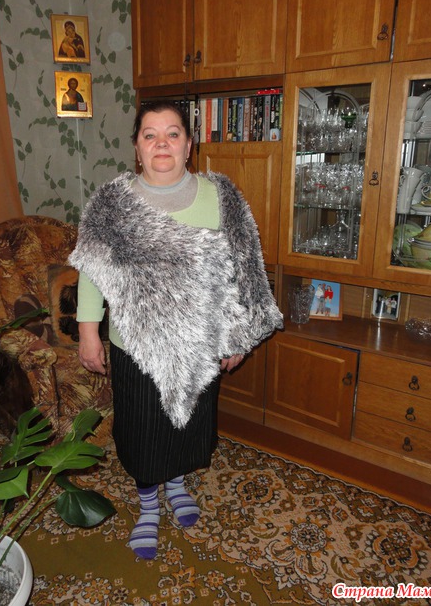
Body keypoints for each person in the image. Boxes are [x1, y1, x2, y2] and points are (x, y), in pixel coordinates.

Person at [69, 100, 283, 561]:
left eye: (172, 134)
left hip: (200, 342)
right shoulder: (111, 203)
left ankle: (177, 483)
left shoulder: (221, 197)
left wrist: (238, 336)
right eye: (150, 135)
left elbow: (243, 272)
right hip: (135, 346)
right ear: (137, 147)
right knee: (142, 429)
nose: (161, 143)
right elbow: (90, 273)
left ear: (189, 145)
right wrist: (88, 332)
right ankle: (149, 500)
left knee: (189, 424)